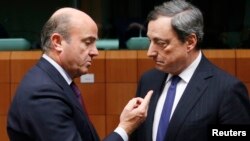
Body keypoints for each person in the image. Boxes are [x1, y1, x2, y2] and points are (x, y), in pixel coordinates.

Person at [7, 7, 153, 141]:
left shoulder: (53, 80)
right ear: (57, 42)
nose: (95, 52)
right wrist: (125, 127)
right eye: (87, 42)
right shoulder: (42, 93)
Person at [130, 1, 250, 141]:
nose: (150, 52)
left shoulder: (227, 90)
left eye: (161, 43)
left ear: (190, 42)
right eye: (150, 41)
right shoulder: (148, 80)